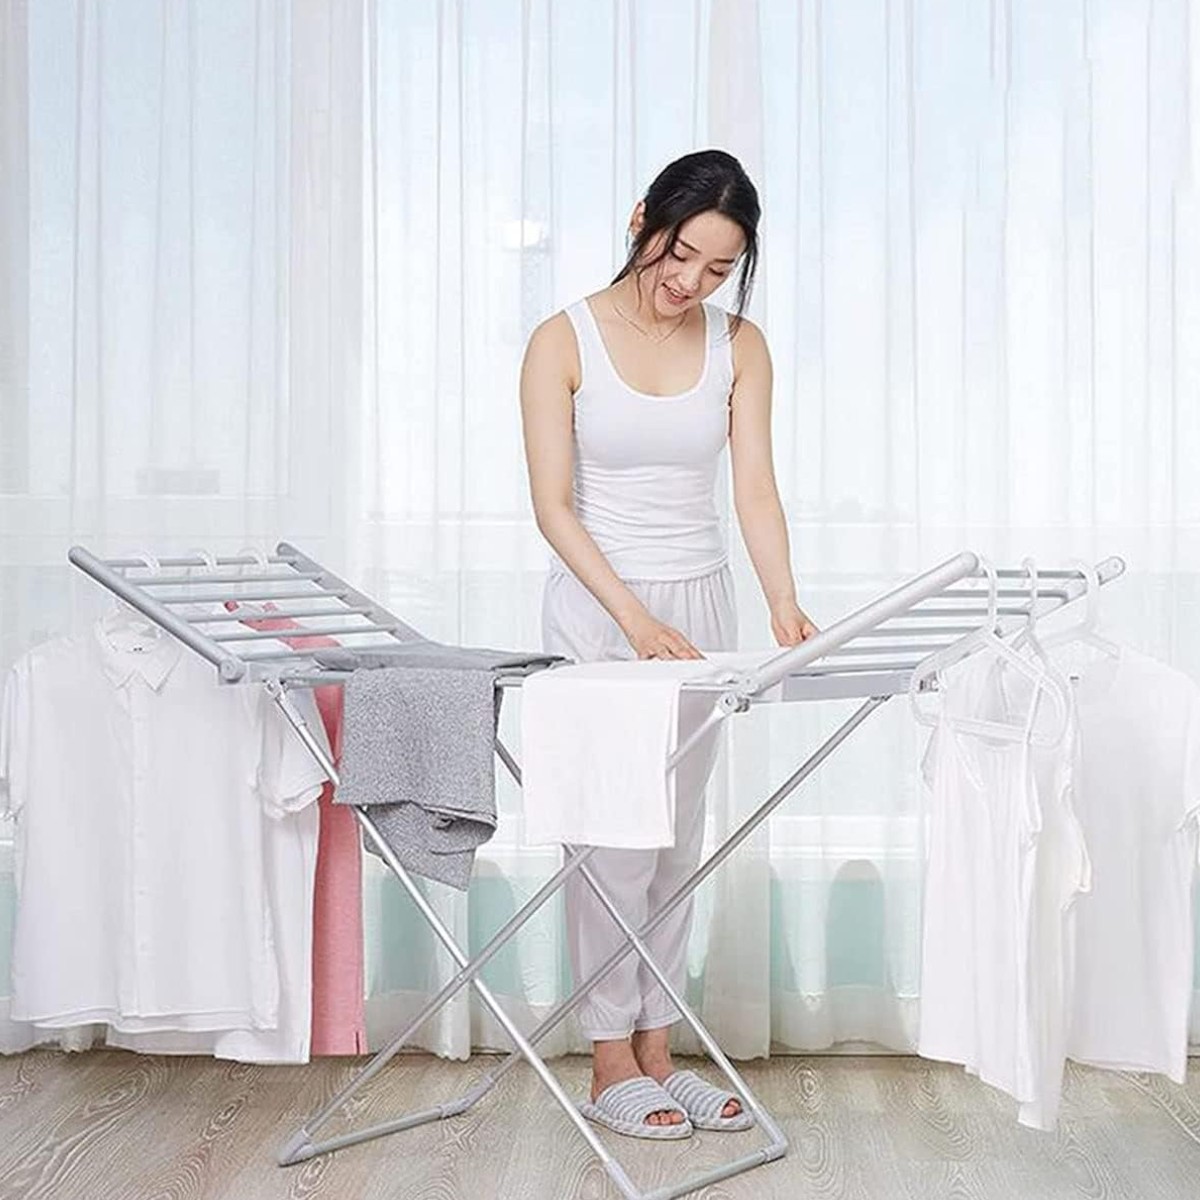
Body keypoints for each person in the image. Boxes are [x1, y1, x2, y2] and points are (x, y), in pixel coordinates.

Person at [519, 148, 817, 1140]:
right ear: (642, 219)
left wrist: (784, 605)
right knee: (611, 839)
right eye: (679, 252)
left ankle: (658, 1049)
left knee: (677, 842)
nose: (690, 281)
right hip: (600, 608)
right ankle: (609, 1058)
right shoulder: (562, 341)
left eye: (718, 268)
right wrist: (634, 623)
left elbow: (755, 490)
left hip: (699, 610)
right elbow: (554, 508)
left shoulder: (741, 347)